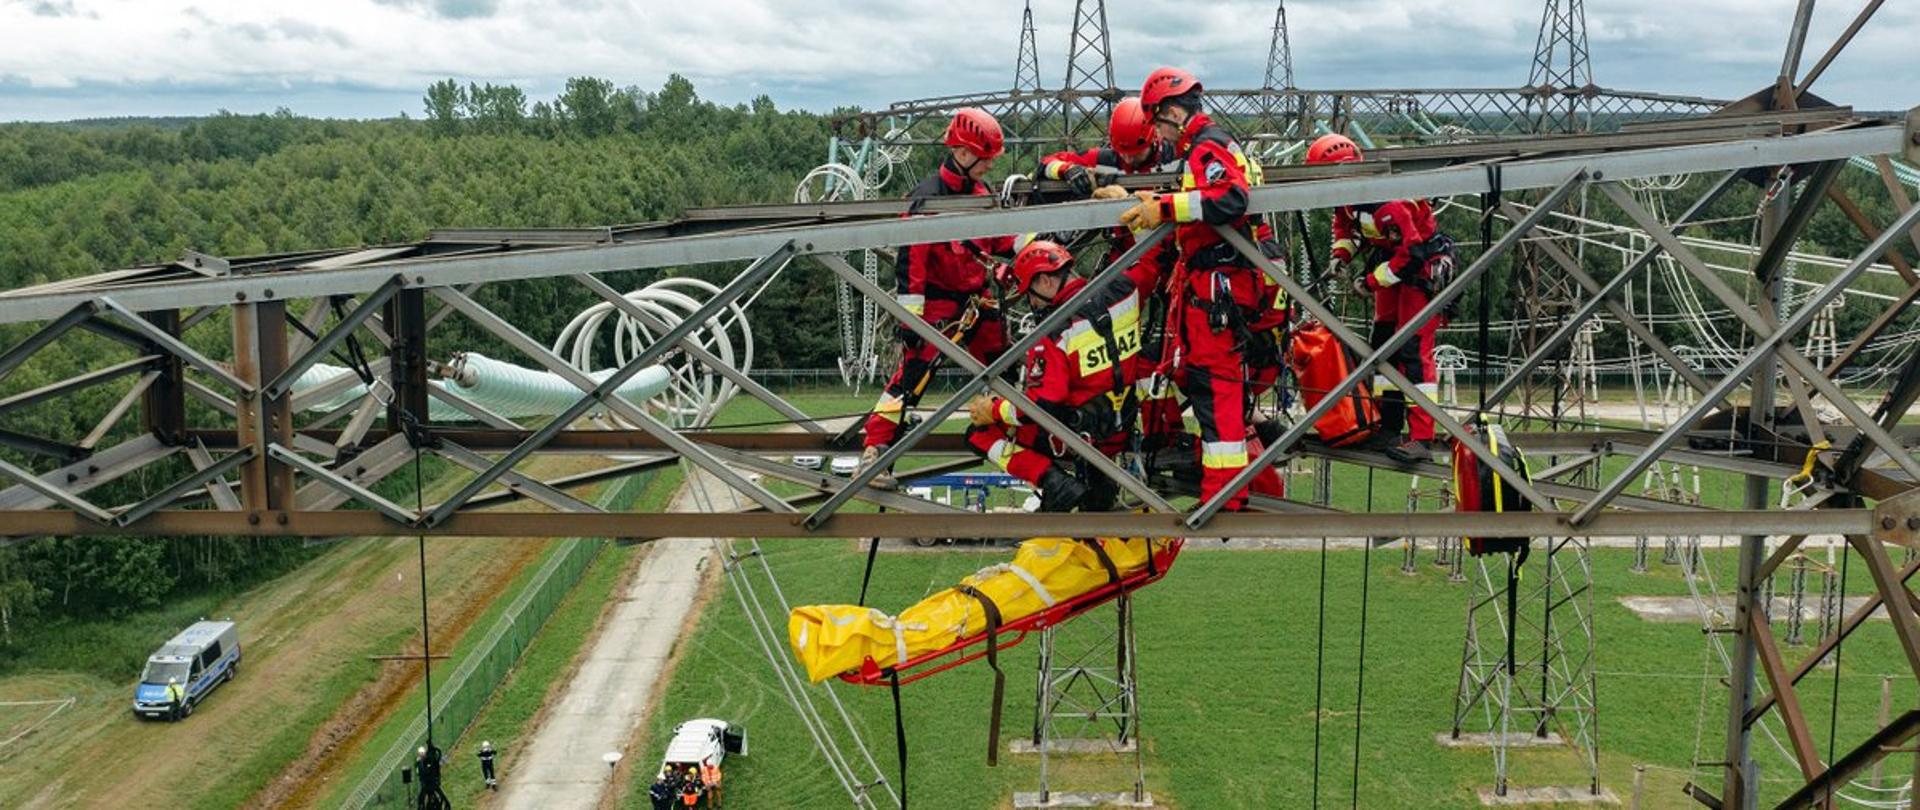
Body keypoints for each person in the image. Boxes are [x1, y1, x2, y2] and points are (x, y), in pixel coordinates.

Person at [1120, 67, 1287, 511]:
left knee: (1217, 392)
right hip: (1213, 285)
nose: (1157, 132)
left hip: (1218, 286)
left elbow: (1231, 200)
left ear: (1174, 112)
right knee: (1204, 384)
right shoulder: (1205, 145)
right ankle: (1222, 488)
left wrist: (1168, 208)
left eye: (1157, 121)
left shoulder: (1207, 146)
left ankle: (1224, 497)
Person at [857, 107, 1015, 489]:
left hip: (977, 304)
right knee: (909, 380)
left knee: (1007, 368)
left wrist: (1032, 248)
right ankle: (875, 454)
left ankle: (1018, 434)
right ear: (963, 153)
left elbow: (1001, 240)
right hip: (938, 308)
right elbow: (911, 266)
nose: (988, 168)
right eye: (985, 160)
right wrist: (910, 323)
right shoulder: (924, 200)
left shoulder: (982, 195)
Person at [1037, 97, 1188, 457]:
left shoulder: (1176, 160)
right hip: (1131, 266)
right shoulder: (1109, 159)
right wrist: (1067, 172)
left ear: (1152, 138)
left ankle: (1166, 435)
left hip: (1170, 264)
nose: (1129, 162)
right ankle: (1141, 432)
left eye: (1134, 154)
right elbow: (1044, 165)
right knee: (1126, 356)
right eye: (1123, 153)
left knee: (1171, 356)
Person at [964, 240, 1151, 512]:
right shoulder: (1124, 290)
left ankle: (1053, 482)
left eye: (1030, 293)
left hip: (1078, 437)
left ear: (1045, 282)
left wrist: (994, 409)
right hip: (1120, 429)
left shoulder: (1053, 331)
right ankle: (1099, 485)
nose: (1031, 302)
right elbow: (1150, 260)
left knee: (977, 434)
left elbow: (1040, 407)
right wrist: (1124, 231)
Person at [1307, 133, 1455, 463]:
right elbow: (1345, 229)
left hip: (1419, 266)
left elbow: (1413, 253)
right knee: (1384, 343)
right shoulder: (1348, 199)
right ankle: (1388, 426)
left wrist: (1372, 281)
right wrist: (1340, 256)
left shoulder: (1388, 202)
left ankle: (1421, 437)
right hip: (1391, 265)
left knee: (1413, 349)